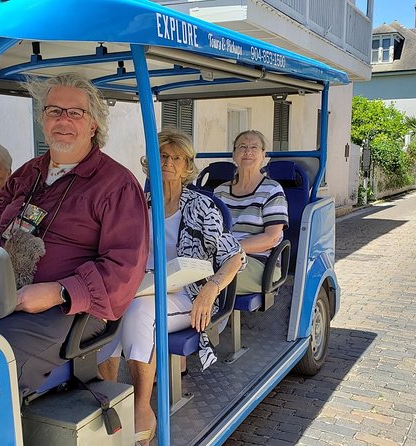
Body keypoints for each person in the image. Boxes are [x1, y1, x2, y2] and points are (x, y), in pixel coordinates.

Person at [0, 73, 148, 399]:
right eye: (54, 111)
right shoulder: (26, 174)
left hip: (71, 310)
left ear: (93, 124)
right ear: (42, 119)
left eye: (75, 113)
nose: (63, 120)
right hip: (0, 293)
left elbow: (124, 270)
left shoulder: (116, 185)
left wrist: (58, 292)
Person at [98, 129, 244, 445]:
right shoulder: (137, 203)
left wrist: (212, 289)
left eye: (176, 158)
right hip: (140, 286)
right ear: (150, 161)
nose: (168, 163)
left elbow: (235, 256)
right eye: (162, 156)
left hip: (187, 292)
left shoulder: (201, 206)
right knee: (102, 310)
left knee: (139, 312)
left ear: (187, 166)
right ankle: (109, 400)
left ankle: (141, 407)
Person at [214, 130, 288, 294]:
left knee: (205, 282)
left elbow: (272, 238)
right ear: (234, 154)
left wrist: (230, 250)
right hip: (219, 258)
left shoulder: (272, 190)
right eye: (242, 147)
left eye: (254, 147)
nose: (248, 152)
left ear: (263, 155)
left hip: (258, 262)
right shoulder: (220, 191)